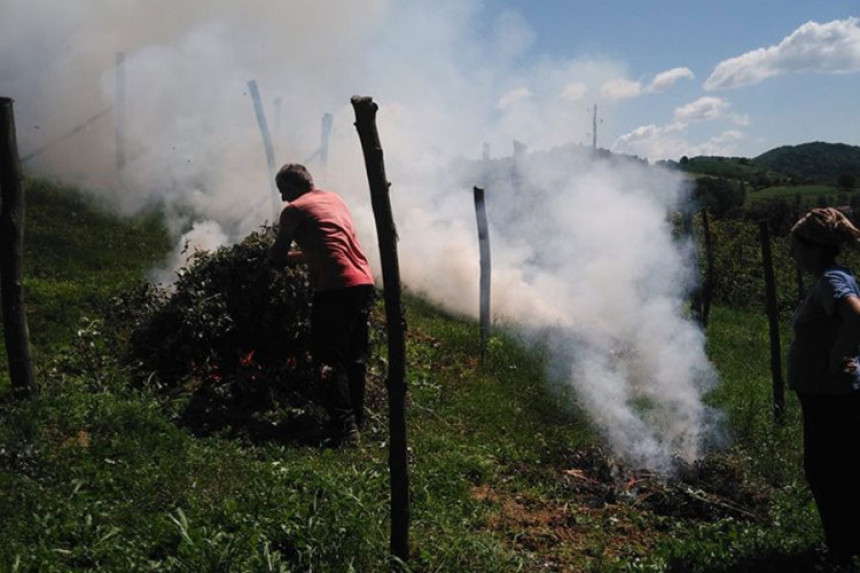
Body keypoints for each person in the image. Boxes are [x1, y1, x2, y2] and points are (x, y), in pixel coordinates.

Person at [268, 163, 375, 446]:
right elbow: (326, 247)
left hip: (336, 287)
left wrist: (271, 259)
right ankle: (356, 422)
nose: (282, 198)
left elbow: (277, 256)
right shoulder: (334, 199)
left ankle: (344, 429)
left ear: (292, 187)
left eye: (283, 191)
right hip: (363, 281)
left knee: (327, 358)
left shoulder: (294, 210)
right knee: (354, 356)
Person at [788, 207, 860, 565]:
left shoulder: (830, 279)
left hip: (830, 397)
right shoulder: (831, 276)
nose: (791, 253)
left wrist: (838, 356)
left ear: (811, 247)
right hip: (824, 396)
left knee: (828, 473)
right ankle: (843, 546)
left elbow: (856, 316)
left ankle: (841, 553)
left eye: (795, 246)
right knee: (836, 471)